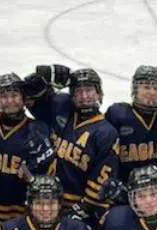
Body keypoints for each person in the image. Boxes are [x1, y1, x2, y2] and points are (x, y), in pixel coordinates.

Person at [22, 65, 120, 218]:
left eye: (89, 90)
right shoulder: (62, 107)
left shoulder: (106, 133)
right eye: (79, 91)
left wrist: (82, 208)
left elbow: (102, 180)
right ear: (72, 95)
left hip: (77, 208)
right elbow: (28, 93)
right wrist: (45, 76)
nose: (84, 96)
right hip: (44, 199)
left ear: (99, 93)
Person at [0, 73, 57, 227]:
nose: (10, 101)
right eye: (4, 96)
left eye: (15, 95)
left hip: (21, 218)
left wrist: (34, 173)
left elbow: (49, 179)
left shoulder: (39, 130)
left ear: (24, 98)